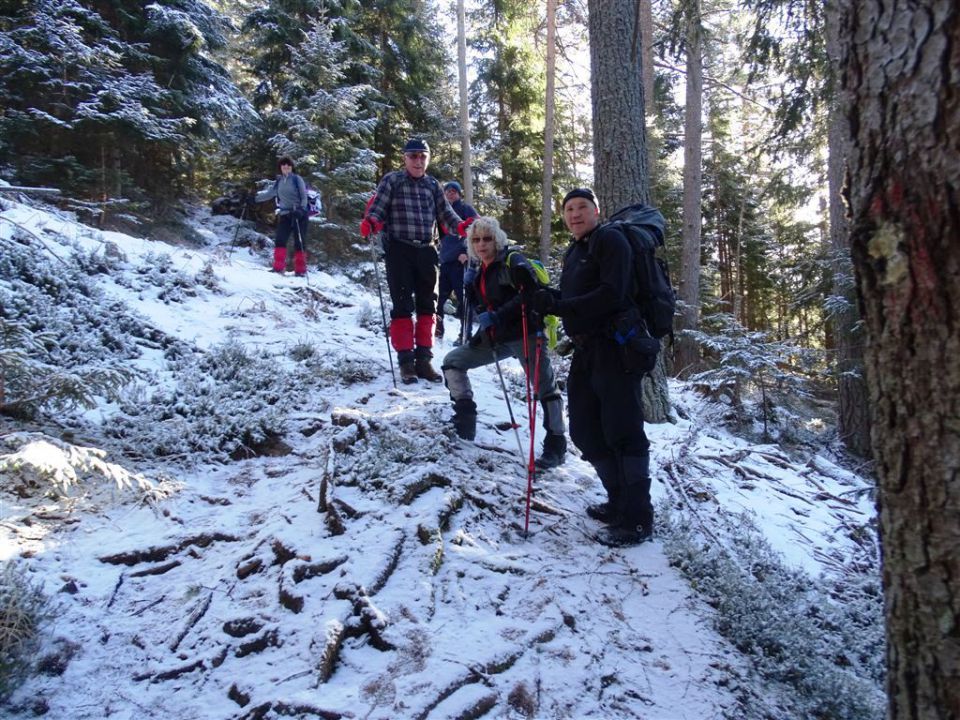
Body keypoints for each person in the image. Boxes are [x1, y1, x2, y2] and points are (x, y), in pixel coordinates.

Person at [532, 188, 654, 546]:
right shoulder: (576, 250)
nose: (575, 214)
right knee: (585, 429)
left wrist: (561, 307)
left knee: (623, 430)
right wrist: (549, 299)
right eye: (569, 209)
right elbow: (574, 300)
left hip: (617, 348)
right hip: (587, 350)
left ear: (597, 211)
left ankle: (637, 518)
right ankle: (617, 501)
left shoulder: (611, 239)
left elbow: (611, 294)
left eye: (582, 207)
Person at [441, 216, 567, 469]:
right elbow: (482, 304)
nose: (481, 244)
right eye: (476, 240)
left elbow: (530, 295)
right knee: (452, 361)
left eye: (487, 239)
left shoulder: (513, 261)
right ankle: (465, 418)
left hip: (525, 334)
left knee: (545, 389)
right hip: (495, 338)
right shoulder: (478, 270)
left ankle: (556, 444)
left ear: (497, 239)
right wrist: (472, 290)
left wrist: (499, 315)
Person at [361, 138, 465, 384]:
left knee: (428, 305)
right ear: (405, 158)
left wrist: (460, 226)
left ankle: (424, 360)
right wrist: (372, 222)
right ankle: (406, 362)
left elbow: (446, 213)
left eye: (423, 156)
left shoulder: (432, 185)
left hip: (427, 251)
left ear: (427, 159)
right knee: (402, 304)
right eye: (413, 156)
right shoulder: (392, 180)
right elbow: (379, 207)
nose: (418, 161)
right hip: (399, 250)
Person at [436, 181, 477, 342]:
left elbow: (476, 229)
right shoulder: (441, 211)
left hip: (461, 264)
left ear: (459, 194)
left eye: (454, 191)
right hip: (444, 262)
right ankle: (437, 330)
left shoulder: (466, 209)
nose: (451, 194)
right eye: (448, 191)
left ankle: (464, 335)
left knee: (464, 300)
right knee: (438, 299)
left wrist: (466, 252)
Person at [255, 157, 310, 277]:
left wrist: (301, 209)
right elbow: (270, 194)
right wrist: (254, 199)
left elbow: (304, 196)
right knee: (280, 239)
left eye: (288, 165)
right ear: (280, 167)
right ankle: (278, 267)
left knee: (299, 242)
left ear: (292, 167)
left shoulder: (296, 179)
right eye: (284, 165)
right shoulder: (279, 181)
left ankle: (300, 270)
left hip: (299, 214)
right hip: (285, 214)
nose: (286, 167)